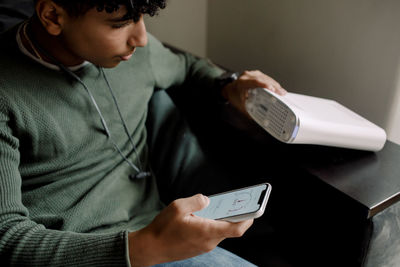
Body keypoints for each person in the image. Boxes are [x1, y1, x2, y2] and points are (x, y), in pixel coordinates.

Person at [0, 0, 286, 266]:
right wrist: (146, 246)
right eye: (119, 23)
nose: (141, 39)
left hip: (156, 231)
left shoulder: (134, 56)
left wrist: (231, 85)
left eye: (141, 18)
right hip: (80, 254)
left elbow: (188, 67)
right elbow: (6, 238)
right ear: (52, 16)